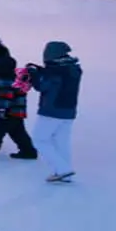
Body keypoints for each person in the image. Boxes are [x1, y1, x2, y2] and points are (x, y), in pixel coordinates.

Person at [26, 41, 83, 183]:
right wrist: (42, 71)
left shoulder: (56, 71)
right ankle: (65, 173)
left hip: (52, 110)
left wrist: (34, 75)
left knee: (40, 139)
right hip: (69, 110)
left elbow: (43, 86)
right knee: (61, 141)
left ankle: (63, 169)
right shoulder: (72, 68)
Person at [0, 38, 36, 159]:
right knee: (18, 132)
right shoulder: (14, 77)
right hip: (18, 110)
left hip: (9, 111)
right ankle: (28, 151)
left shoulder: (3, 79)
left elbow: (5, 95)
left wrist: (2, 108)